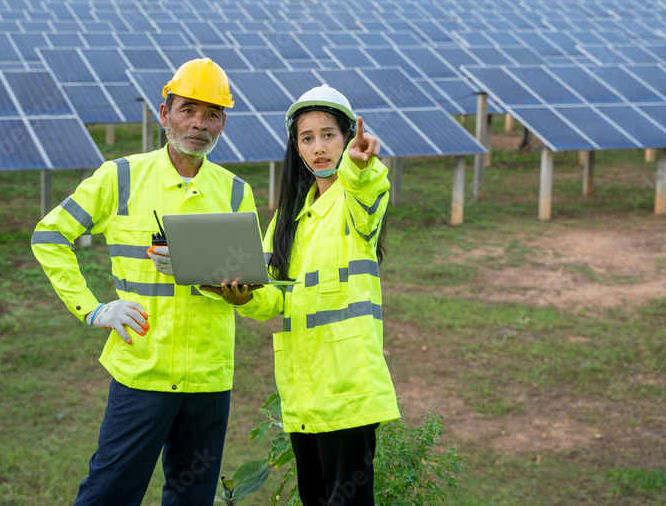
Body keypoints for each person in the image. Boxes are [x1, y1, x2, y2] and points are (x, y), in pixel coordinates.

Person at [30, 58, 256, 506]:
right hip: (142, 370)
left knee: (192, 497)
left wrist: (237, 289)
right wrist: (92, 308)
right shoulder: (122, 177)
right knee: (109, 493)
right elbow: (50, 236)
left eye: (212, 114)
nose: (199, 124)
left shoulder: (236, 192)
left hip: (209, 377)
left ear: (223, 124)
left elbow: (242, 282)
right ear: (163, 113)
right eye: (188, 109)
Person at [203, 85, 398, 506]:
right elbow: (274, 295)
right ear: (296, 147)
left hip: (348, 389)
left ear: (348, 139)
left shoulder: (355, 202)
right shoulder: (289, 219)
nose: (319, 148)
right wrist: (240, 297)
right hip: (303, 393)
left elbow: (368, 193)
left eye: (329, 135)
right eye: (307, 138)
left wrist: (363, 168)